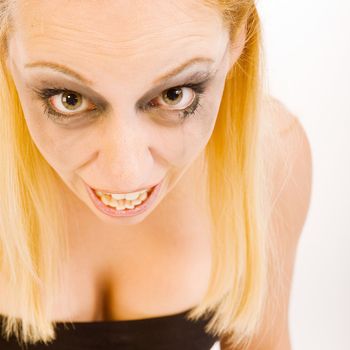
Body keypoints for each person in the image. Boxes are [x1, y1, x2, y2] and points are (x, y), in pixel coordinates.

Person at [0, 0, 312, 349]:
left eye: (174, 95)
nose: (124, 175)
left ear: (236, 42)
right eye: (68, 99)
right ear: (4, 46)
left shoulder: (269, 157)